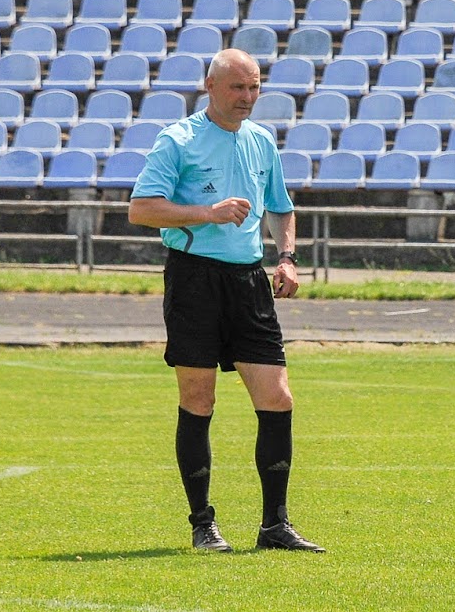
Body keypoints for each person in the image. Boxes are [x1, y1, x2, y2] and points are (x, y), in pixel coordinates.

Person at [128, 49, 324, 554]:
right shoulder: (178, 139)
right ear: (210, 86)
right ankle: (202, 523)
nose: (248, 98)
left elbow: (281, 207)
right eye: (238, 87)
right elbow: (141, 209)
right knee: (199, 399)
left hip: (248, 282)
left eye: (254, 87)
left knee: (278, 398)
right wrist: (206, 213)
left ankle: (274, 525)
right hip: (194, 280)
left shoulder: (262, 141)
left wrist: (286, 257)